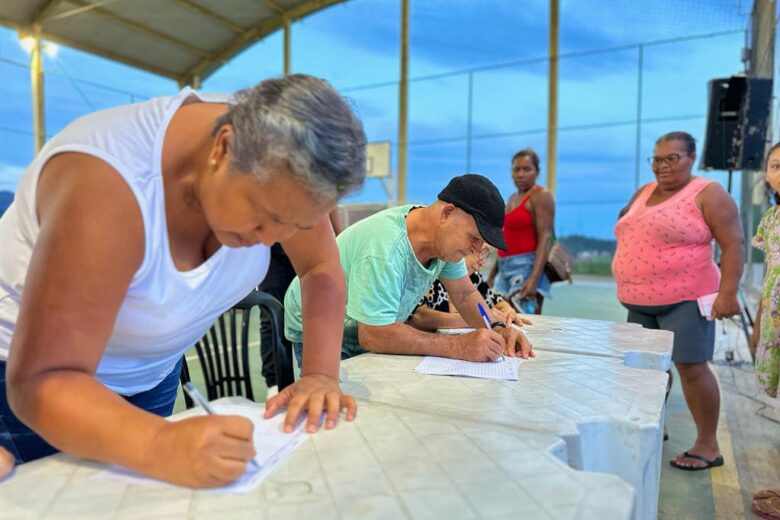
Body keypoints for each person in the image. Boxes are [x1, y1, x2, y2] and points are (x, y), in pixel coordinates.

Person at [0, 74, 366, 488]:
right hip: (29, 383)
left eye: (291, 225)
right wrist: (158, 443)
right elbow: (42, 379)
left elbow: (320, 268)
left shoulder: (286, 169)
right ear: (224, 147)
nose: (268, 240)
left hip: (152, 374)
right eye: (263, 214)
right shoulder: (108, 185)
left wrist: (320, 375)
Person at [284, 174, 535, 364]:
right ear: (447, 213)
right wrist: (458, 346)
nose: (476, 249)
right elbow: (373, 334)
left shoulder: (442, 243)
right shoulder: (385, 249)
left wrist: (498, 329)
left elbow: (466, 295)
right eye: (474, 237)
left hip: (363, 327)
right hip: (320, 326)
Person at [612, 131, 743, 471]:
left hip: (686, 298)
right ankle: (655, 422)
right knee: (645, 369)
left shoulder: (709, 194)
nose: (663, 165)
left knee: (692, 367)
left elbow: (733, 243)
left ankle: (707, 445)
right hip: (639, 300)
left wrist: (728, 293)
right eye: (657, 159)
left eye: (673, 158)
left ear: (691, 158)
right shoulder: (643, 192)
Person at [258, 209, 343, 389]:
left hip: (301, 227)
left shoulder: (311, 202)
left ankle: (305, 376)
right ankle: (275, 383)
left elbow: (328, 203)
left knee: (306, 306)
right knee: (272, 314)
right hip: (272, 246)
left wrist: (320, 376)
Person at [748, 142, 780, 520]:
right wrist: (759, 324)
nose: (779, 171)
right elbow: (770, 277)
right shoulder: (771, 219)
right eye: (774, 165)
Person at [489, 148, 554, 314]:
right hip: (504, 266)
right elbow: (506, 239)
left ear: (537, 172)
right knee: (498, 317)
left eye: (527, 169)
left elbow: (545, 238)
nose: (521, 174)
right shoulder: (512, 198)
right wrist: (492, 275)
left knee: (524, 323)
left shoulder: (541, 196)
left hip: (526, 266)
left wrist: (534, 279)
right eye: (516, 169)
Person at [409, 244, 531, 331]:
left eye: (487, 256)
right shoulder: (436, 270)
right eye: (482, 253)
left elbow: (495, 300)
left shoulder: (474, 277)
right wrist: (477, 319)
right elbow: (417, 316)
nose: (482, 262)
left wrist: (508, 311)